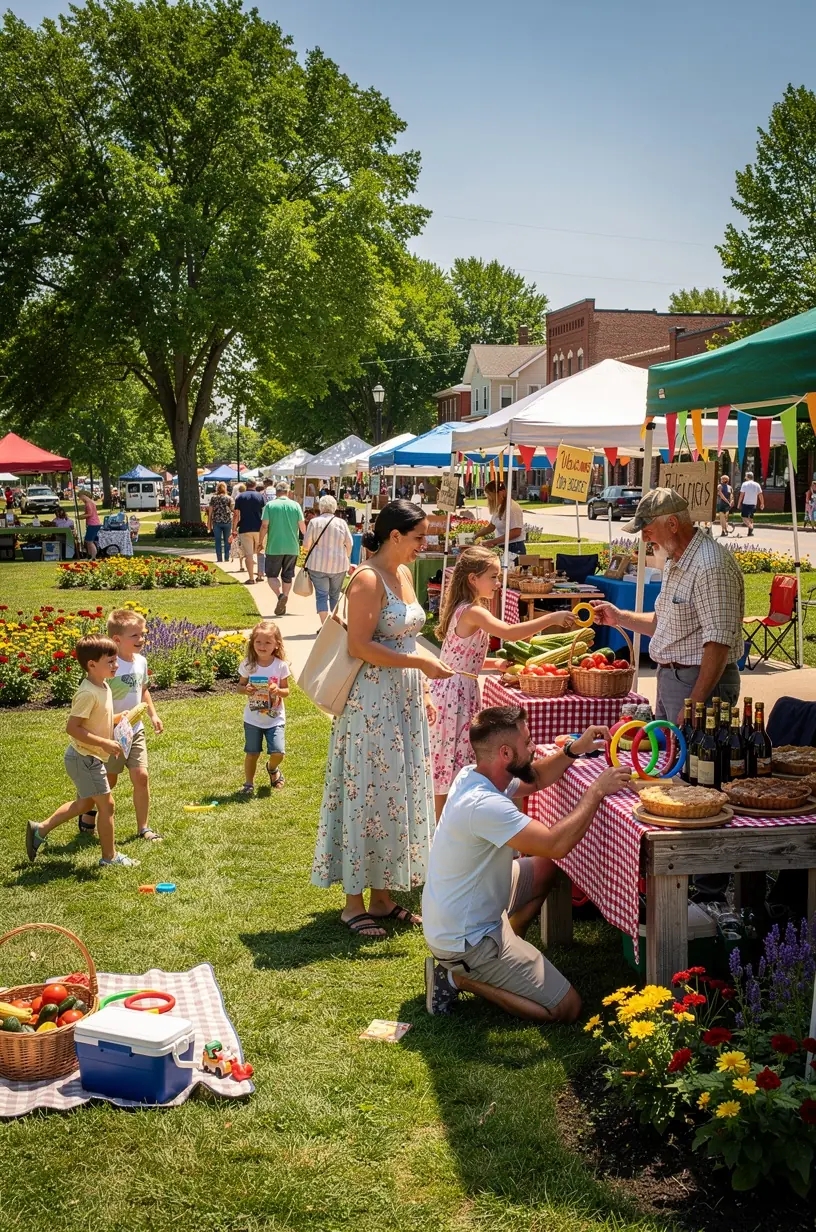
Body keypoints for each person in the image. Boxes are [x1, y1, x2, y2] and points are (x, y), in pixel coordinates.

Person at [422, 705, 630, 1018]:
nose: (533, 748)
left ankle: (508, 949)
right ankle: (457, 977)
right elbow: (555, 844)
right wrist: (596, 791)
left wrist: (574, 749)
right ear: (505, 753)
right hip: (466, 940)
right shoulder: (484, 806)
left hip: (458, 915)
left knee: (545, 870)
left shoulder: (476, 774)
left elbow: (534, 779)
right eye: (528, 742)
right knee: (567, 1008)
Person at [311, 500, 454, 937]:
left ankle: (383, 896)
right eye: (418, 537)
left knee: (395, 793)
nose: (423, 545)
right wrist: (420, 668)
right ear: (395, 536)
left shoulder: (404, 574)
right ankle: (353, 902)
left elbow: (407, 640)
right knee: (367, 791)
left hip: (403, 700)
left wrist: (423, 687)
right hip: (371, 703)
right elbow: (359, 647)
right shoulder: (367, 579)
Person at [429, 546, 577, 819]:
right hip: (454, 696)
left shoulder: (465, 609)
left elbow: (457, 659)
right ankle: (442, 826)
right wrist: (551, 618)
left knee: (451, 760)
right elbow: (509, 633)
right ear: (473, 579)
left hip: (455, 689)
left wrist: (492, 664)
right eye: (493, 577)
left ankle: (448, 824)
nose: (498, 584)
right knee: (448, 764)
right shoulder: (473, 611)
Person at [591, 488, 744, 725]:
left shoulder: (711, 566)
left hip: (699, 684)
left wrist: (696, 702)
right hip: (674, 678)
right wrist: (620, 617)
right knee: (670, 757)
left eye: (648, 530)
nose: (643, 538)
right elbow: (664, 622)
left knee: (694, 761)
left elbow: (718, 643)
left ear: (672, 524)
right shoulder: (677, 559)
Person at [25, 634, 139, 868]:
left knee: (85, 805)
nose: (116, 665)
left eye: (116, 660)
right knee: (107, 805)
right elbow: (73, 728)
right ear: (92, 664)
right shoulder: (87, 693)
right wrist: (105, 743)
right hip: (84, 758)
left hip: (88, 757)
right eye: (111, 661)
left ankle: (40, 829)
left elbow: (98, 720)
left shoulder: (103, 685)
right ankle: (110, 857)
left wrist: (119, 718)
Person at [75, 609, 164, 843]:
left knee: (141, 776)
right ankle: (89, 811)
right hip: (111, 733)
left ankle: (143, 827)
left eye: (142, 634)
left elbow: (142, 690)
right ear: (117, 640)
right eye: (135, 635)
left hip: (135, 729)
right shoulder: (110, 667)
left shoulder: (141, 662)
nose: (141, 639)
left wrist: (153, 715)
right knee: (109, 780)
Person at [237, 620, 289, 795]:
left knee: (278, 752)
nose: (262, 646)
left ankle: (272, 769)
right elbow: (239, 686)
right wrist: (246, 689)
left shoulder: (280, 665)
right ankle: (248, 784)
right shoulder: (248, 664)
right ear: (253, 643)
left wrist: (278, 690)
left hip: (275, 717)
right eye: (258, 642)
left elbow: (286, 691)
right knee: (252, 753)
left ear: (276, 644)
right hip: (253, 718)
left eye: (267, 642)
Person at [300, 495, 354, 624]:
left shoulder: (314, 522)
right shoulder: (341, 523)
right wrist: (345, 556)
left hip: (317, 565)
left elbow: (306, 546)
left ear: (321, 507)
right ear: (334, 508)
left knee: (321, 595)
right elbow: (350, 543)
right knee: (335, 595)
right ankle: (335, 623)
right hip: (339, 565)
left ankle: (324, 625)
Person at [260, 481, 305, 616]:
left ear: (276, 491)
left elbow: (264, 526)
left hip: (274, 546)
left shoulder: (270, 505)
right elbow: (303, 527)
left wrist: (260, 541)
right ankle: (285, 595)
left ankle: (280, 596)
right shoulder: (296, 505)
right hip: (292, 547)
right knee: (287, 576)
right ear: (288, 491)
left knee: (272, 575)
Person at [474, 480, 525, 555]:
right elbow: (491, 527)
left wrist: (493, 541)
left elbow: (516, 532)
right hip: (504, 546)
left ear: (501, 493)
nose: (490, 499)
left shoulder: (512, 508)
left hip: (514, 548)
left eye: (491, 496)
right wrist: (475, 535)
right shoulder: (499, 507)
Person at [230, 477, 266, 583]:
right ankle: (260, 575)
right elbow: (265, 513)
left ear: (246, 485)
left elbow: (236, 514)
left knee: (249, 554)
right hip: (259, 528)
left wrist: (234, 529)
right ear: (255, 485)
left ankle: (251, 578)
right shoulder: (261, 496)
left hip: (245, 528)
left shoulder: (240, 497)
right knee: (260, 552)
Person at [207, 481, 234, 563]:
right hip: (227, 521)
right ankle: (226, 557)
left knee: (218, 541)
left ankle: (219, 558)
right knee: (227, 541)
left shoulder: (213, 498)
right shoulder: (229, 498)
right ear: (225, 488)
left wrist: (209, 523)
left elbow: (210, 512)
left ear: (217, 488)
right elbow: (233, 509)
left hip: (217, 522)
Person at [737, 471, 764, 537]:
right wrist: (762, 503)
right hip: (754, 503)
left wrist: (738, 503)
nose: (745, 477)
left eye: (745, 476)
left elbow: (741, 494)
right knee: (751, 517)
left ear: (747, 477)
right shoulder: (757, 484)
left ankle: (750, 526)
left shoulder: (744, 484)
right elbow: (760, 494)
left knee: (743, 517)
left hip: (746, 503)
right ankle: (750, 532)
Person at [77, 488, 101, 559]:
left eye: (80, 497)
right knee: (88, 541)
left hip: (93, 524)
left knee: (89, 541)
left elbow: (90, 514)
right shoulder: (91, 502)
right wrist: (81, 516)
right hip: (94, 524)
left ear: (83, 496)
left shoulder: (88, 503)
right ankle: (90, 555)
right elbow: (88, 513)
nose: (80, 499)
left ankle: (93, 556)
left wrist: (80, 517)